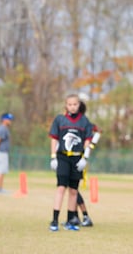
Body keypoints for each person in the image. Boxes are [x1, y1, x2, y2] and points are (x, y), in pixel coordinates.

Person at [48, 93, 93, 232]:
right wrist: (53, 156)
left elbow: (88, 141)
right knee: (61, 188)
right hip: (63, 157)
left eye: (75, 104)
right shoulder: (60, 120)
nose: (72, 107)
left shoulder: (84, 121)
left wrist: (84, 158)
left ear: (79, 105)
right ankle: (54, 220)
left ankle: (70, 220)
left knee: (73, 191)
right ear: (66, 105)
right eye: (70, 104)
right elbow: (54, 139)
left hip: (77, 158)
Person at [74, 97, 101, 228]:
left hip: (79, 159)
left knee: (73, 188)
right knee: (71, 188)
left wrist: (85, 156)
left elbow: (97, 133)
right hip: (70, 158)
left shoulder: (85, 124)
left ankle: (85, 216)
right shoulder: (74, 123)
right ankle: (74, 217)